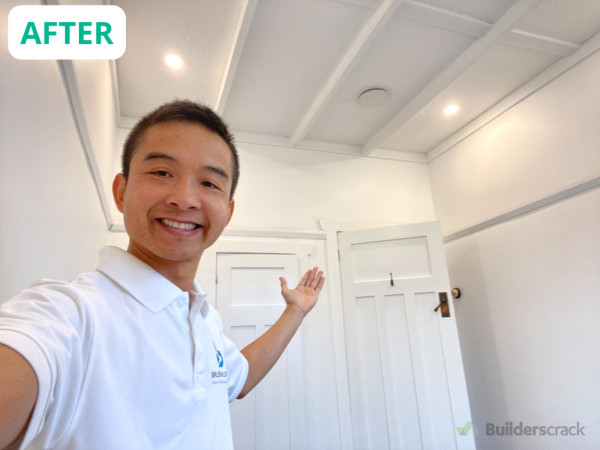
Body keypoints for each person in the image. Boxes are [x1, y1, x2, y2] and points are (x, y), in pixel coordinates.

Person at [0, 100, 325, 449]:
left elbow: (240, 378)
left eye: (209, 183)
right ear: (121, 191)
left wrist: (295, 311)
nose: (185, 199)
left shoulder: (204, 319)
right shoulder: (67, 315)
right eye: (161, 173)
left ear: (228, 213)